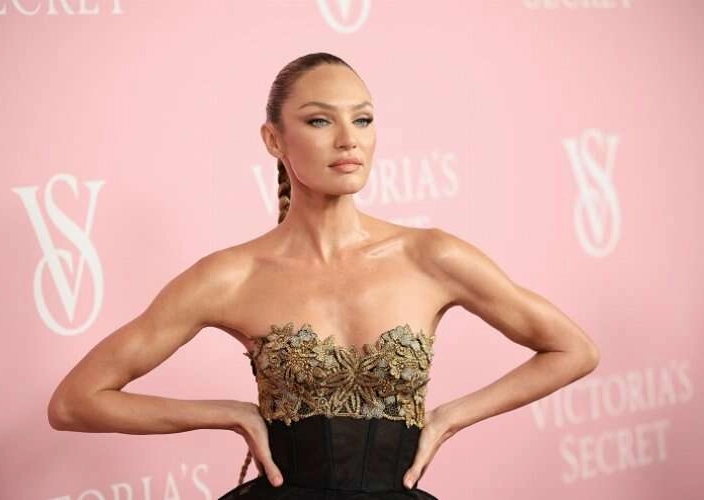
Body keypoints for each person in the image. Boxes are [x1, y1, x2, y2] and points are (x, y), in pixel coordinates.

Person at [47, 52, 600, 499]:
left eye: (362, 119)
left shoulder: (431, 256)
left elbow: (573, 350)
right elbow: (75, 401)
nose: (348, 139)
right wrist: (227, 414)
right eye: (319, 120)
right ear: (273, 140)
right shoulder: (230, 276)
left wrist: (451, 417)